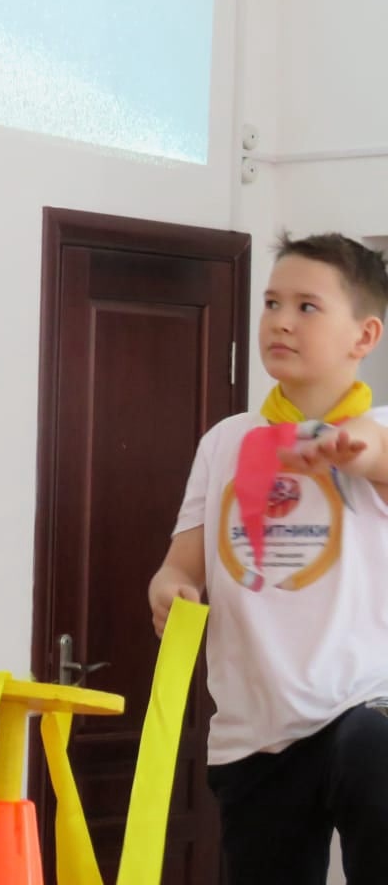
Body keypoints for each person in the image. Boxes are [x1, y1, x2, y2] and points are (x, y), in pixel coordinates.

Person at [149, 233, 388, 884]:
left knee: (371, 745)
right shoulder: (226, 441)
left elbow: (376, 450)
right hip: (253, 736)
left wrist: (350, 447)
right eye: (272, 302)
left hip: (360, 710)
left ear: (364, 336)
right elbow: (181, 566)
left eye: (307, 306)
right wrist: (170, 589)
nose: (281, 321)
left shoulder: (373, 433)